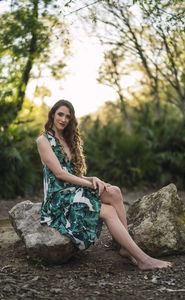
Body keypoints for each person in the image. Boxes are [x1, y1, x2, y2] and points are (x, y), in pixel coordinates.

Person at [36, 99, 173, 270]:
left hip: (72, 190)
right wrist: (89, 184)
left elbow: (73, 174)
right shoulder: (43, 140)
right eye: (60, 114)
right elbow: (60, 174)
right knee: (108, 211)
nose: (63, 119)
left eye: (68, 116)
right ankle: (144, 259)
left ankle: (126, 247)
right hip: (58, 199)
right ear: (52, 115)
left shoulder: (67, 139)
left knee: (114, 191)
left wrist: (93, 179)